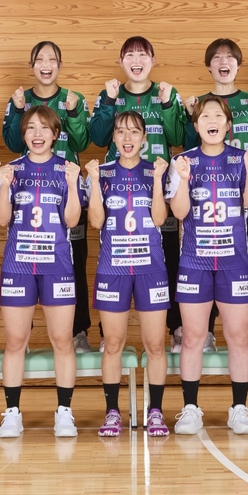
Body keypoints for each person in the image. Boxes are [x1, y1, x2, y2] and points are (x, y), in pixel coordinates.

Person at [166, 96, 248, 436]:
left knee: (238, 336)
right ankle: (190, 408)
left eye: (218, 115)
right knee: (193, 336)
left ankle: (239, 409)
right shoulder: (183, 161)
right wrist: (181, 179)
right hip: (194, 262)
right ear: (196, 125)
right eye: (205, 116)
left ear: (227, 124)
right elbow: (179, 213)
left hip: (234, 262)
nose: (212, 120)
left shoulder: (241, 158)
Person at [90, 36, 186, 351]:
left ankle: (175, 328)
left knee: (167, 255)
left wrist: (168, 104)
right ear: (120, 61)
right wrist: (108, 102)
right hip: (117, 189)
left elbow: (179, 136)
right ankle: (107, 333)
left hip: (157, 188)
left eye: (142, 55)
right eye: (129, 55)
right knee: (112, 255)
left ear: (153, 60)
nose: (136, 60)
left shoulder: (167, 93)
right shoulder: (110, 93)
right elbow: (97, 137)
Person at [0, 105, 83, 438]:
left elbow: (72, 220)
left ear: (55, 134)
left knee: (62, 339)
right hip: (18, 265)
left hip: (56, 265)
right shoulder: (11, 170)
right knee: (16, 340)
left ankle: (64, 412)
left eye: (44, 128)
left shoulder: (66, 169)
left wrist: (73, 185)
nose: (37, 134)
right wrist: (4, 187)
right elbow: (1, 219)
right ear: (23, 134)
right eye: (31, 127)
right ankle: (12, 413)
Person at [184, 39, 248, 351]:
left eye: (230, 57)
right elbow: (190, 145)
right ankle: (207, 332)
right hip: (211, 191)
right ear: (208, 65)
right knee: (208, 256)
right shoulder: (200, 104)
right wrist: (187, 115)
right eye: (217, 57)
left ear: (238, 64)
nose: (223, 62)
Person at [3, 41, 93, 353]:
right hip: (28, 192)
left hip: (66, 192)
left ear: (59, 65)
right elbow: (12, 143)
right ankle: (22, 335)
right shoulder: (20, 98)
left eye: (52, 59)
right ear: (32, 66)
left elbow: (84, 141)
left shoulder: (73, 98)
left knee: (74, 260)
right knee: (23, 261)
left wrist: (74, 113)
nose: (45, 64)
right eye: (39, 59)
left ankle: (78, 331)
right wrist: (17, 110)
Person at [86, 111, 171, 437]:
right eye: (121, 131)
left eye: (134, 132)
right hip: (113, 268)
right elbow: (95, 221)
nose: (127, 138)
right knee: (113, 343)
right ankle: (112, 412)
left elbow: (160, 218)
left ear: (144, 137)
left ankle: (156, 412)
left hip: (151, 267)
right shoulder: (104, 172)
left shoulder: (155, 170)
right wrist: (94, 182)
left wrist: (158, 181)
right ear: (114, 137)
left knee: (156, 344)